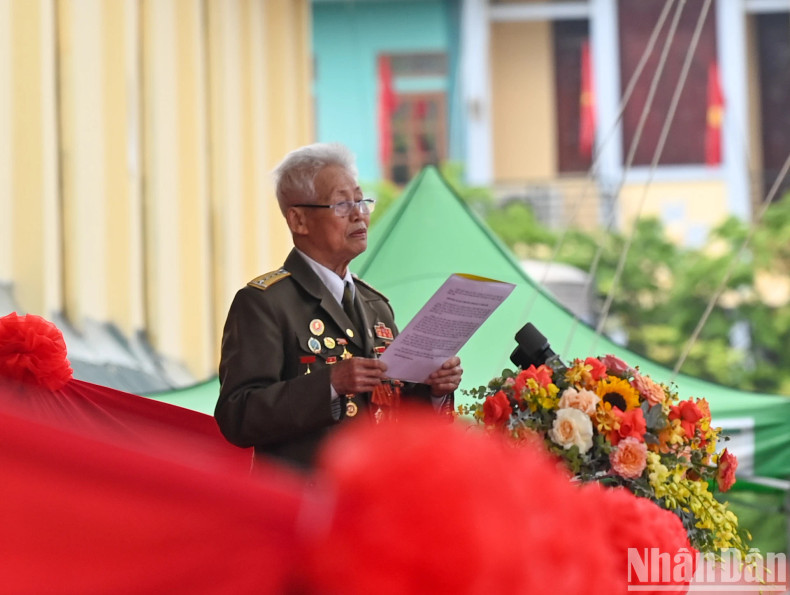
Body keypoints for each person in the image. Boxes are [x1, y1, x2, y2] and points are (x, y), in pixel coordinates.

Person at [215, 142, 463, 469]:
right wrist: (330, 384)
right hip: (305, 493)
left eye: (361, 200)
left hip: (376, 490)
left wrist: (434, 391)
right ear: (299, 220)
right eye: (342, 204)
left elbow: (393, 410)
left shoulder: (375, 305)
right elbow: (237, 415)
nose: (359, 214)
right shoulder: (265, 303)